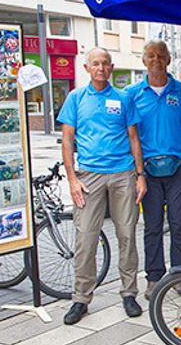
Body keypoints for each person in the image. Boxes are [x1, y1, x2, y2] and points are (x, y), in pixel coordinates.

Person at [57, 47, 147, 325]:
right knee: (85, 239)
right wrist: (72, 179)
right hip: (88, 176)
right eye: (95, 64)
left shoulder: (122, 98)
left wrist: (140, 174)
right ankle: (81, 298)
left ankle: (129, 293)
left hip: (122, 174)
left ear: (111, 68)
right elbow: (67, 141)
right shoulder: (75, 98)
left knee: (127, 235)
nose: (100, 68)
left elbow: (133, 138)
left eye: (105, 64)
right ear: (86, 68)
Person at [125, 41, 181, 300]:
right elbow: (128, 134)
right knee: (152, 226)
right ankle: (154, 277)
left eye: (161, 56)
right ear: (144, 60)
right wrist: (136, 172)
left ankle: (180, 274)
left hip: (178, 167)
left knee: (179, 224)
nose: (156, 60)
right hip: (147, 170)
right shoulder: (132, 94)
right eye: (151, 56)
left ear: (168, 60)